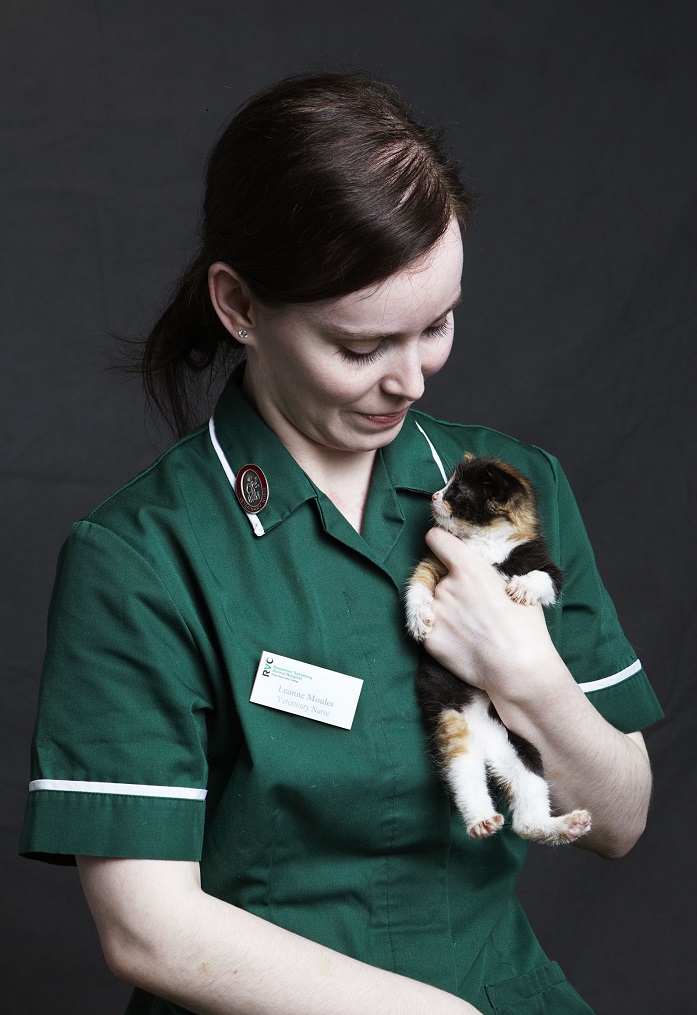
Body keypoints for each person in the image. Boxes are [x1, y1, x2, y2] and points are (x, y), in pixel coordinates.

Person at [20, 73, 662, 1015]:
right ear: (239, 306)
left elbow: (618, 822)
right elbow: (146, 926)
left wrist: (531, 677)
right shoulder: (139, 558)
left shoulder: (515, 490)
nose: (409, 379)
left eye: (436, 325)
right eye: (359, 348)